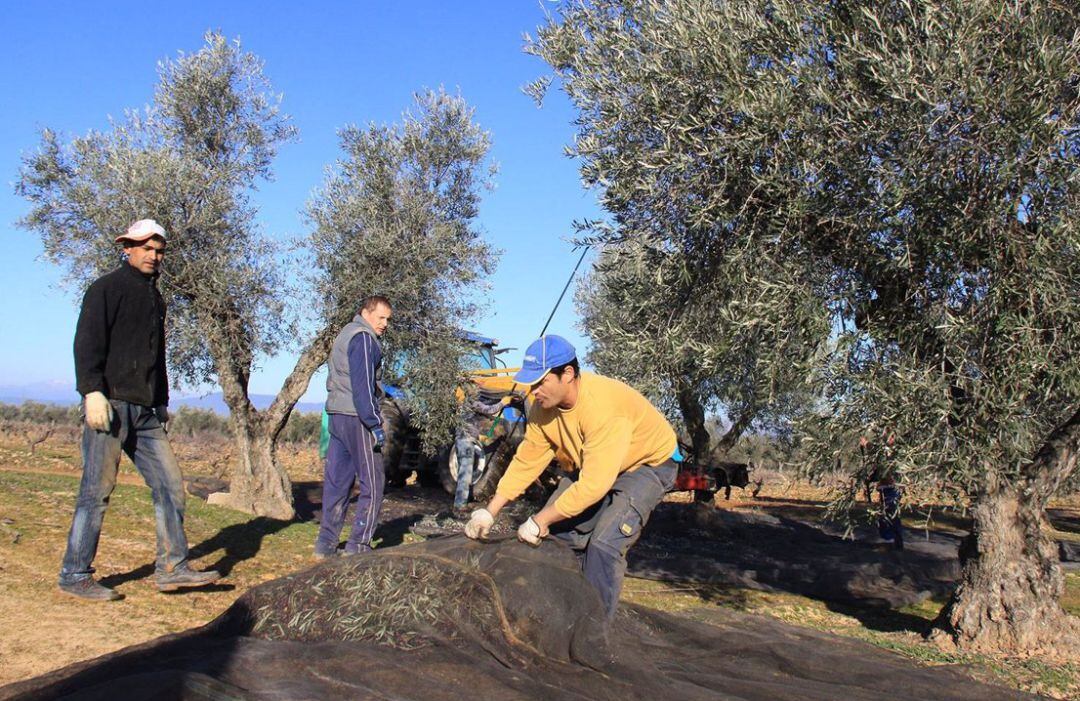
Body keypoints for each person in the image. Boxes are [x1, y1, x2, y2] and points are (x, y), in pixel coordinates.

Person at [59, 219, 221, 601]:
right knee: (95, 493)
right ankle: (75, 573)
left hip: (146, 411)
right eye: (147, 248)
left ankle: (172, 568)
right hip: (110, 404)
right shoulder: (106, 289)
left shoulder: (154, 297)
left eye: (159, 250)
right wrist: (91, 392)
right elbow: (87, 343)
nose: (154, 255)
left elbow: (155, 355)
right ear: (126, 247)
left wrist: (161, 400)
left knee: (169, 485)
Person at [464, 335, 681, 619]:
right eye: (531, 382)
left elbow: (593, 487)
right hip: (595, 464)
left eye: (541, 381)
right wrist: (490, 512)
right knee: (562, 537)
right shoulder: (542, 410)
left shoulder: (603, 409)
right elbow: (526, 462)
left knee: (604, 545)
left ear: (567, 374)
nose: (534, 390)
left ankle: (592, 635)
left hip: (647, 465)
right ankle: (562, 617)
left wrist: (539, 520)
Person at [314, 295, 392, 558]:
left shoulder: (345, 334)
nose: (384, 324)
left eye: (387, 319)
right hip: (357, 418)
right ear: (366, 313)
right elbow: (362, 386)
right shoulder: (365, 338)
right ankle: (358, 545)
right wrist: (374, 422)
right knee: (374, 482)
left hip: (336, 414)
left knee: (337, 482)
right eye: (380, 317)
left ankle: (325, 544)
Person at [452, 391, 513, 516]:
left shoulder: (464, 404)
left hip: (464, 440)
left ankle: (462, 502)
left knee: (465, 472)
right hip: (465, 441)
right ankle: (459, 506)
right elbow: (488, 409)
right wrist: (503, 402)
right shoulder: (471, 401)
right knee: (465, 472)